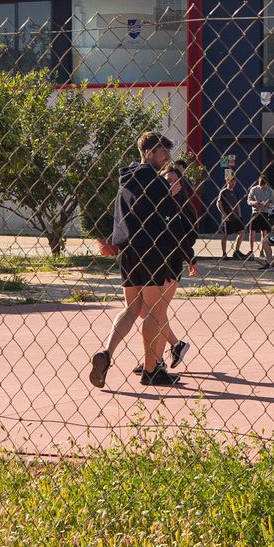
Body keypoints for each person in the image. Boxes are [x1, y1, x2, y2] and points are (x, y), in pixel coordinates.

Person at [92, 130, 187, 389]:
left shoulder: (127, 181)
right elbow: (165, 218)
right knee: (156, 312)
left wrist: (116, 243)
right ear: (148, 153)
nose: (166, 156)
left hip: (129, 253)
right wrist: (169, 194)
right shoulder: (154, 182)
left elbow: (121, 216)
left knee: (132, 308)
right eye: (162, 151)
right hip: (152, 251)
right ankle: (152, 369)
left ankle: (107, 353)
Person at [132, 164, 199, 375]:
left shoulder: (185, 209)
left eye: (174, 181)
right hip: (151, 261)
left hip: (171, 263)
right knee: (144, 310)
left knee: (156, 312)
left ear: (181, 184)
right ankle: (175, 345)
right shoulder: (154, 203)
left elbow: (187, 237)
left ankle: (155, 361)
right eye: (166, 180)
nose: (170, 184)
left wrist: (189, 257)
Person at [246, 173, 274, 265]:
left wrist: (268, 204)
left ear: (266, 183)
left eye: (263, 185)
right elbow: (248, 200)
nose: (262, 187)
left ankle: (262, 250)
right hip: (255, 212)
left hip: (265, 212)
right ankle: (251, 251)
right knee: (252, 231)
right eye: (260, 185)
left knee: (264, 232)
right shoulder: (254, 189)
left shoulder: (270, 191)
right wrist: (254, 202)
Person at [215, 174, 242, 260]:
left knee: (241, 232)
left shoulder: (235, 192)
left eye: (234, 181)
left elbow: (238, 205)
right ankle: (224, 254)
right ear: (227, 181)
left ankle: (237, 251)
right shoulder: (223, 192)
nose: (233, 182)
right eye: (231, 180)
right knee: (225, 235)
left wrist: (240, 215)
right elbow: (218, 204)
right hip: (227, 217)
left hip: (236, 217)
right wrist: (224, 214)